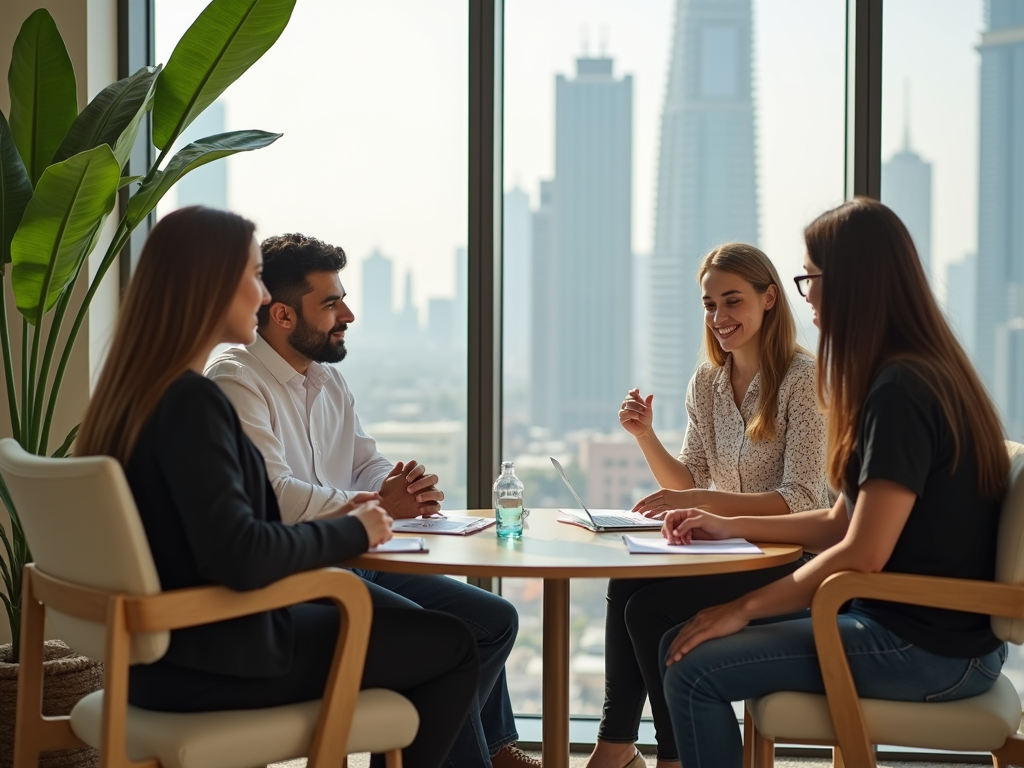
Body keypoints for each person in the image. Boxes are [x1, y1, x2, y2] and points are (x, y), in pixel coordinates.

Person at [76, 206, 480, 768]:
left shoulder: (135, 398)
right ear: (211, 288)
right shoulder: (194, 402)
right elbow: (242, 553)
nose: (263, 295)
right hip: (216, 661)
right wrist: (353, 528)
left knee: (441, 631)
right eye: (252, 276)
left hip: (167, 659)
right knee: (455, 643)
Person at [657, 198, 1010, 768]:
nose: (807, 295)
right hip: (916, 626)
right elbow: (843, 520)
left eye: (811, 278)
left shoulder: (899, 390)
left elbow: (862, 553)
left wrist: (743, 607)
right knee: (678, 638)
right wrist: (727, 523)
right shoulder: (912, 370)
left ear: (855, 282)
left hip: (925, 647)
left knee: (690, 666)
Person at [205, 233, 532, 768]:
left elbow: (365, 463)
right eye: (331, 303)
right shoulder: (236, 380)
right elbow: (276, 498)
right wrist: (378, 505)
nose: (348, 314)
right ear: (283, 315)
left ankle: (477, 751)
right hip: (298, 575)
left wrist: (405, 485)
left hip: (358, 560)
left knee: (495, 619)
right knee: (446, 642)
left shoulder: (329, 383)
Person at [587, 243, 830, 768]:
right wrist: (646, 437)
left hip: (793, 561)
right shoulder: (708, 381)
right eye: (709, 304)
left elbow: (803, 500)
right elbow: (689, 475)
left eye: (732, 301)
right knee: (626, 581)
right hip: (732, 552)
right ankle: (616, 747)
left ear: (770, 299)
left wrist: (697, 500)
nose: (719, 317)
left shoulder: (802, 380)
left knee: (650, 610)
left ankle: (674, 757)